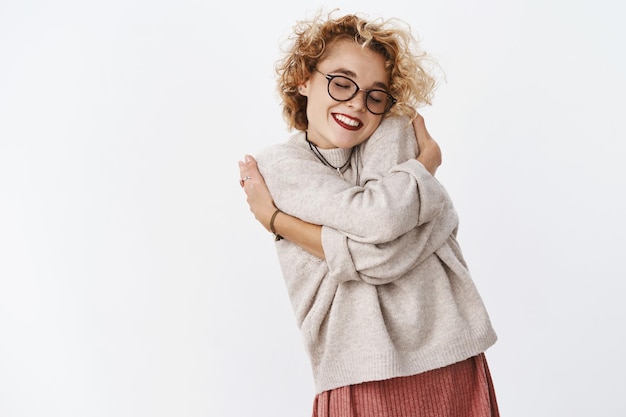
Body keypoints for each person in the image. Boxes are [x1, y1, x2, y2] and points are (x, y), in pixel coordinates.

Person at [238, 10, 499, 417]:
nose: (357, 104)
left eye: (374, 94)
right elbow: (381, 233)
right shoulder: (279, 166)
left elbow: (379, 225)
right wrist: (424, 173)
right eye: (341, 83)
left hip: (451, 357)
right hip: (357, 372)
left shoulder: (392, 131)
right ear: (303, 79)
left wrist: (276, 221)